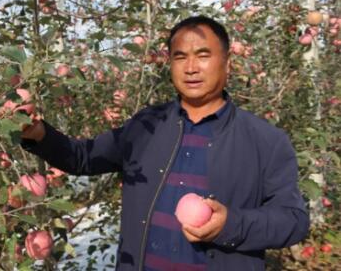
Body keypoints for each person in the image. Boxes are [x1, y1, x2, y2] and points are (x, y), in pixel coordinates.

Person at [20, 16, 310, 271]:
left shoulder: (265, 140)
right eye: (180, 57)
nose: (191, 67)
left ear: (227, 63)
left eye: (203, 55)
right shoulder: (146, 126)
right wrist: (40, 134)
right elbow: (82, 157)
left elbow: (293, 221)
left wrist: (230, 224)